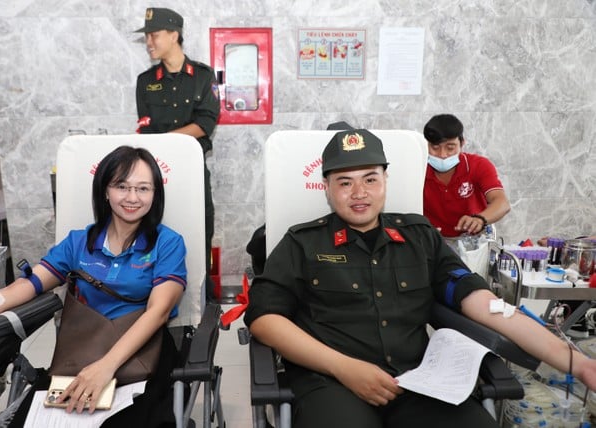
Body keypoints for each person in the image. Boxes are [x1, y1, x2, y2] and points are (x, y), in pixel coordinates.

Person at [244, 128, 596, 428]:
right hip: (331, 381)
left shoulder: (419, 235)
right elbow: (264, 318)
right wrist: (345, 368)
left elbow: (487, 307)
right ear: (326, 187)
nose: (359, 192)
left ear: (385, 180)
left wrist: (578, 364)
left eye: (370, 179)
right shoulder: (302, 242)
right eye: (345, 182)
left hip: (416, 381)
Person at [0, 145, 186, 427]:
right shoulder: (78, 243)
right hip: (81, 352)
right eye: (122, 186)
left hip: (144, 355)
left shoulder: (168, 243)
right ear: (105, 191)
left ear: (155, 194)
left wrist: (105, 368)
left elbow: (157, 313)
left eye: (143, 188)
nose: (132, 197)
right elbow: (16, 292)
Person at [135, 7, 220, 303]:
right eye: (146, 36)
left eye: (154, 35)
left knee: (200, 232)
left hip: (193, 171)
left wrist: (166, 141)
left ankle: (204, 302)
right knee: (156, 231)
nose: (149, 41)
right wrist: (161, 146)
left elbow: (206, 123)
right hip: (157, 173)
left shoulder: (202, 76)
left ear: (174, 35)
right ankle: (158, 299)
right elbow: (144, 129)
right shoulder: (146, 81)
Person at [422, 114, 510, 237]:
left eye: (450, 148)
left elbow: (501, 203)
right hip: (431, 240)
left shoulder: (478, 165)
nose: (442, 154)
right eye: (435, 148)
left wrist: (480, 219)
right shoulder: (417, 169)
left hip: (472, 241)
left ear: (462, 143)